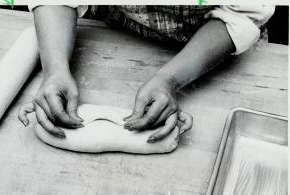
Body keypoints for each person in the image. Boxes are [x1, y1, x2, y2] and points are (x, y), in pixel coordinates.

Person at [18, 5, 274, 143]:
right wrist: (55, 69)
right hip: (115, 34)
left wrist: (169, 79)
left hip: (213, 43)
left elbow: (240, 14)